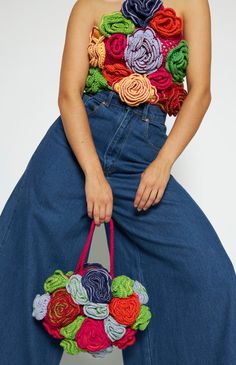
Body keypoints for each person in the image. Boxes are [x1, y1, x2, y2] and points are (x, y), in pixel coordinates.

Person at [0, 0, 235, 364]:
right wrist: (93, 174)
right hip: (74, 147)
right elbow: (68, 94)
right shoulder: (88, 5)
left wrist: (163, 163)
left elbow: (200, 92)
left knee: (211, 275)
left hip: (144, 158)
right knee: (21, 262)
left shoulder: (192, 3)